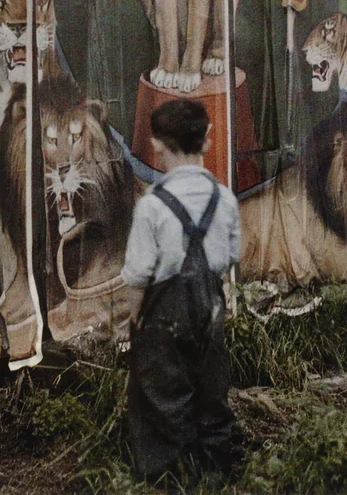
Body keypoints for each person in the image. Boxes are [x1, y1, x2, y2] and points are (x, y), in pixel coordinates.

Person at [121, 100, 242, 484]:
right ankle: (216, 476)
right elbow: (232, 256)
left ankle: (168, 481)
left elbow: (138, 275)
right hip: (211, 311)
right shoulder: (224, 199)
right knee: (212, 394)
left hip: (163, 317)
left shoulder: (152, 206)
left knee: (161, 399)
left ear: (155, 144)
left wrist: (133, 321)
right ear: (208, 142)